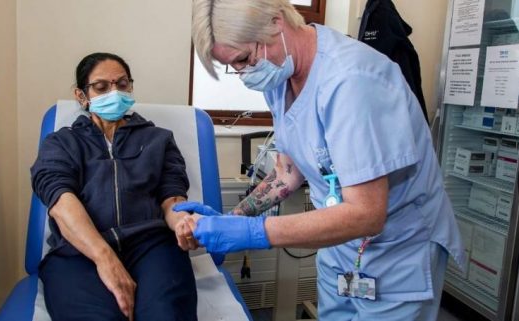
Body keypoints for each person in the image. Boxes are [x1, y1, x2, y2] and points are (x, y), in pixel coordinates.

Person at [173, 1, 465, 320]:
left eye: (244, 59)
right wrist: (234, 218)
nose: (245, 75)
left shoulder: (352, 80)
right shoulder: (281, 76)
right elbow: (287, 171)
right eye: (235, 67)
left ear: (276, 21)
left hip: (397, 251)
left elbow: (367, 213)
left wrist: (252, 232)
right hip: (342, 250)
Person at [31, 52, 198, 321]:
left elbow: (172, 197)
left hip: (152, 246)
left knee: (165, 314)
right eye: (101, 87)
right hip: (78, 252)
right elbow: (61, 203)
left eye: (122, 84)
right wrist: (105, 259)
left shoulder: (159, 139)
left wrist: (183, 222)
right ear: (81, 95)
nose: (114, 92)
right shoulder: (61, 143)